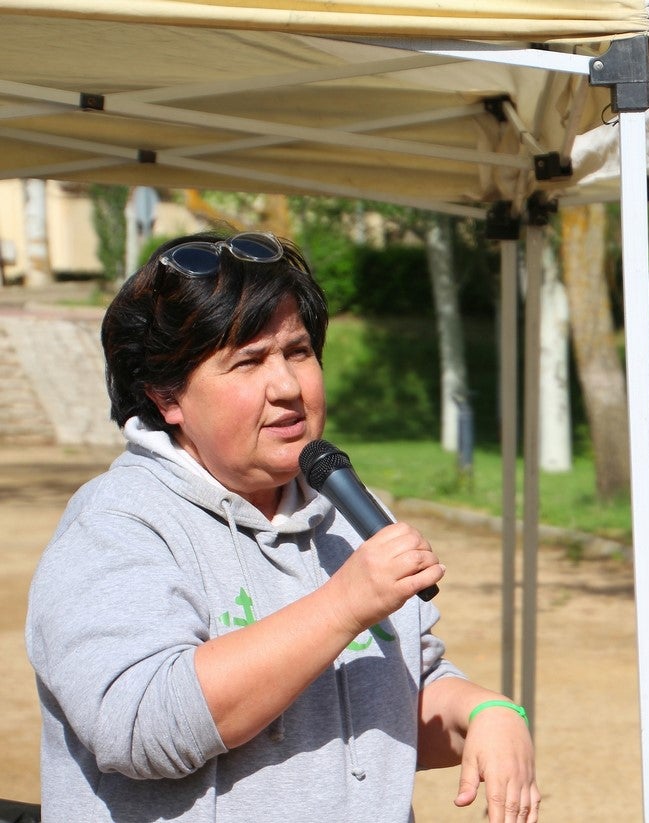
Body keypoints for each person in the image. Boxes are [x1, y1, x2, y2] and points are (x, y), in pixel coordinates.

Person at [25, 231, 539, 822]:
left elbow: (398, 691)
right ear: (166, 397)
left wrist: (486, 713)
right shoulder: (117, 524)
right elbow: (139, 726)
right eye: (248, 361)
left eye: (297, 352)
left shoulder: (349, 510)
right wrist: (344, 604)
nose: (288, 387)